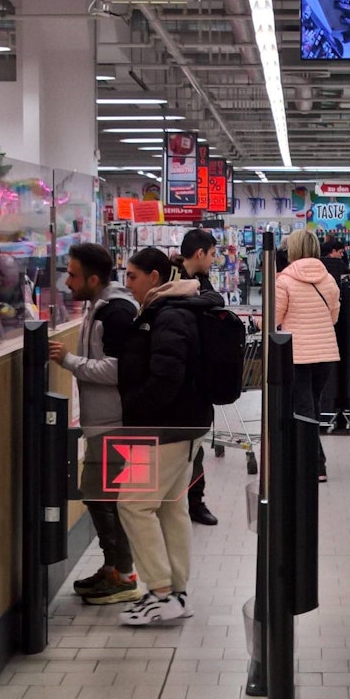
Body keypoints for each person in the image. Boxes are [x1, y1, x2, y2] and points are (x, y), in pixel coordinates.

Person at [114, 247, 214, 625]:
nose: (128, 283)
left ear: (155, 277)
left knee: (133, 504)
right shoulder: (175, 309)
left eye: (134, 275)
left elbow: (167, 376)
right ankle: (176, 594)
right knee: (172, 506)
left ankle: (158, 591)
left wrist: (135, 407)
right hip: (181, 426)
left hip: (163, 427)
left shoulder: (168, 315)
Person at [49, 243, 142, 606]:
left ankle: (124, 573)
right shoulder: (100, 307)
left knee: (101, 496)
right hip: (102, 421)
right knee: (102, 495)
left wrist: (70, 361)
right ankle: (115, 568)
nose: (67, 281)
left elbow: (120, 369)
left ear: (92, 278)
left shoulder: (116, 312)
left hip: (115, 422)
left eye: (72, 275)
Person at [275, 229, 341, 482]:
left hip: (298, 354)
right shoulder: (328, 279)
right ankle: (309, 460)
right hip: (325, 354)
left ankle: (315, 465)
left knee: (303, 409)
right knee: (311, 405)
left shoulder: (284, 281)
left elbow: (275, 319)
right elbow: (333, 317)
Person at [171, 228, 226, 526]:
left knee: (195, 444)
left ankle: (195, 501)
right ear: (199, 253)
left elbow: (214, 301)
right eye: (213, 254)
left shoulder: (201, 282)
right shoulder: (169, 276)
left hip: (196, 374)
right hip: (175, 371)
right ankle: (176, 500)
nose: (214, 260)